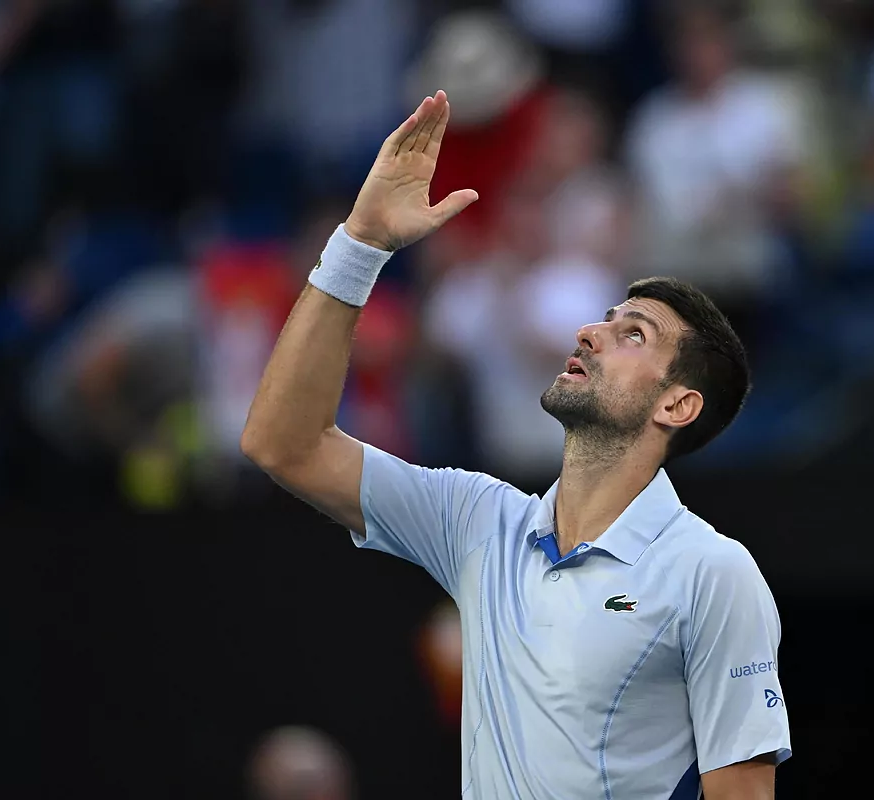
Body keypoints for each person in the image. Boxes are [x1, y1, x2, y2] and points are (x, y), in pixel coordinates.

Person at [242, 91, 791, 798]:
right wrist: (360, 244)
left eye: (634, 335)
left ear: (677, 404)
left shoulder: (712, 572)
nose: (590, 333)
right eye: (604, 319)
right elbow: (282, 443)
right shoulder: (479, 521)